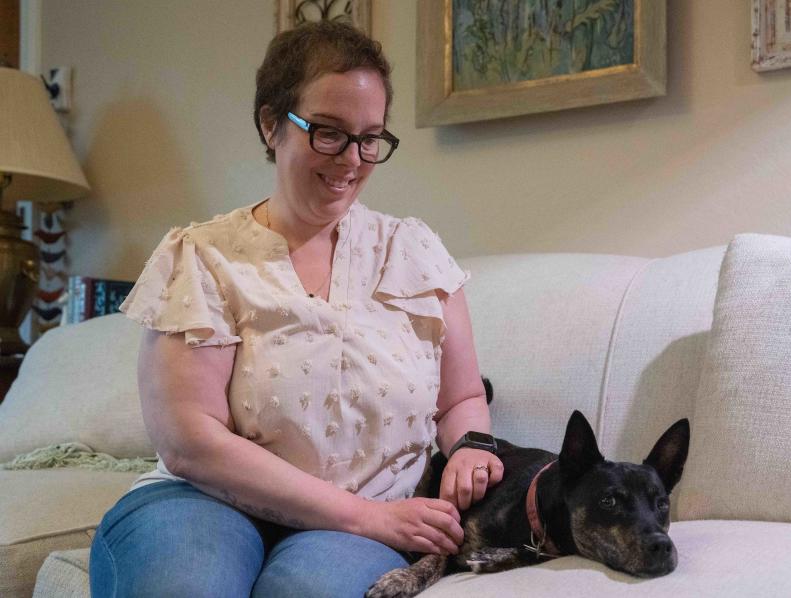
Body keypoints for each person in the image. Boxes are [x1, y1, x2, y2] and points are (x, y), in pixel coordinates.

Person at [89, 21, 503, 597]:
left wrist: (470, 448)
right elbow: (189, 440)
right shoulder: (204, 257)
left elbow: (459, 399)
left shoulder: (416, 254)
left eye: (370, 138)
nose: (352, 160)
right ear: (271, 123)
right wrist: (369, 518)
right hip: (207, 505)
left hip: (362, 522)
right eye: (329, 133)